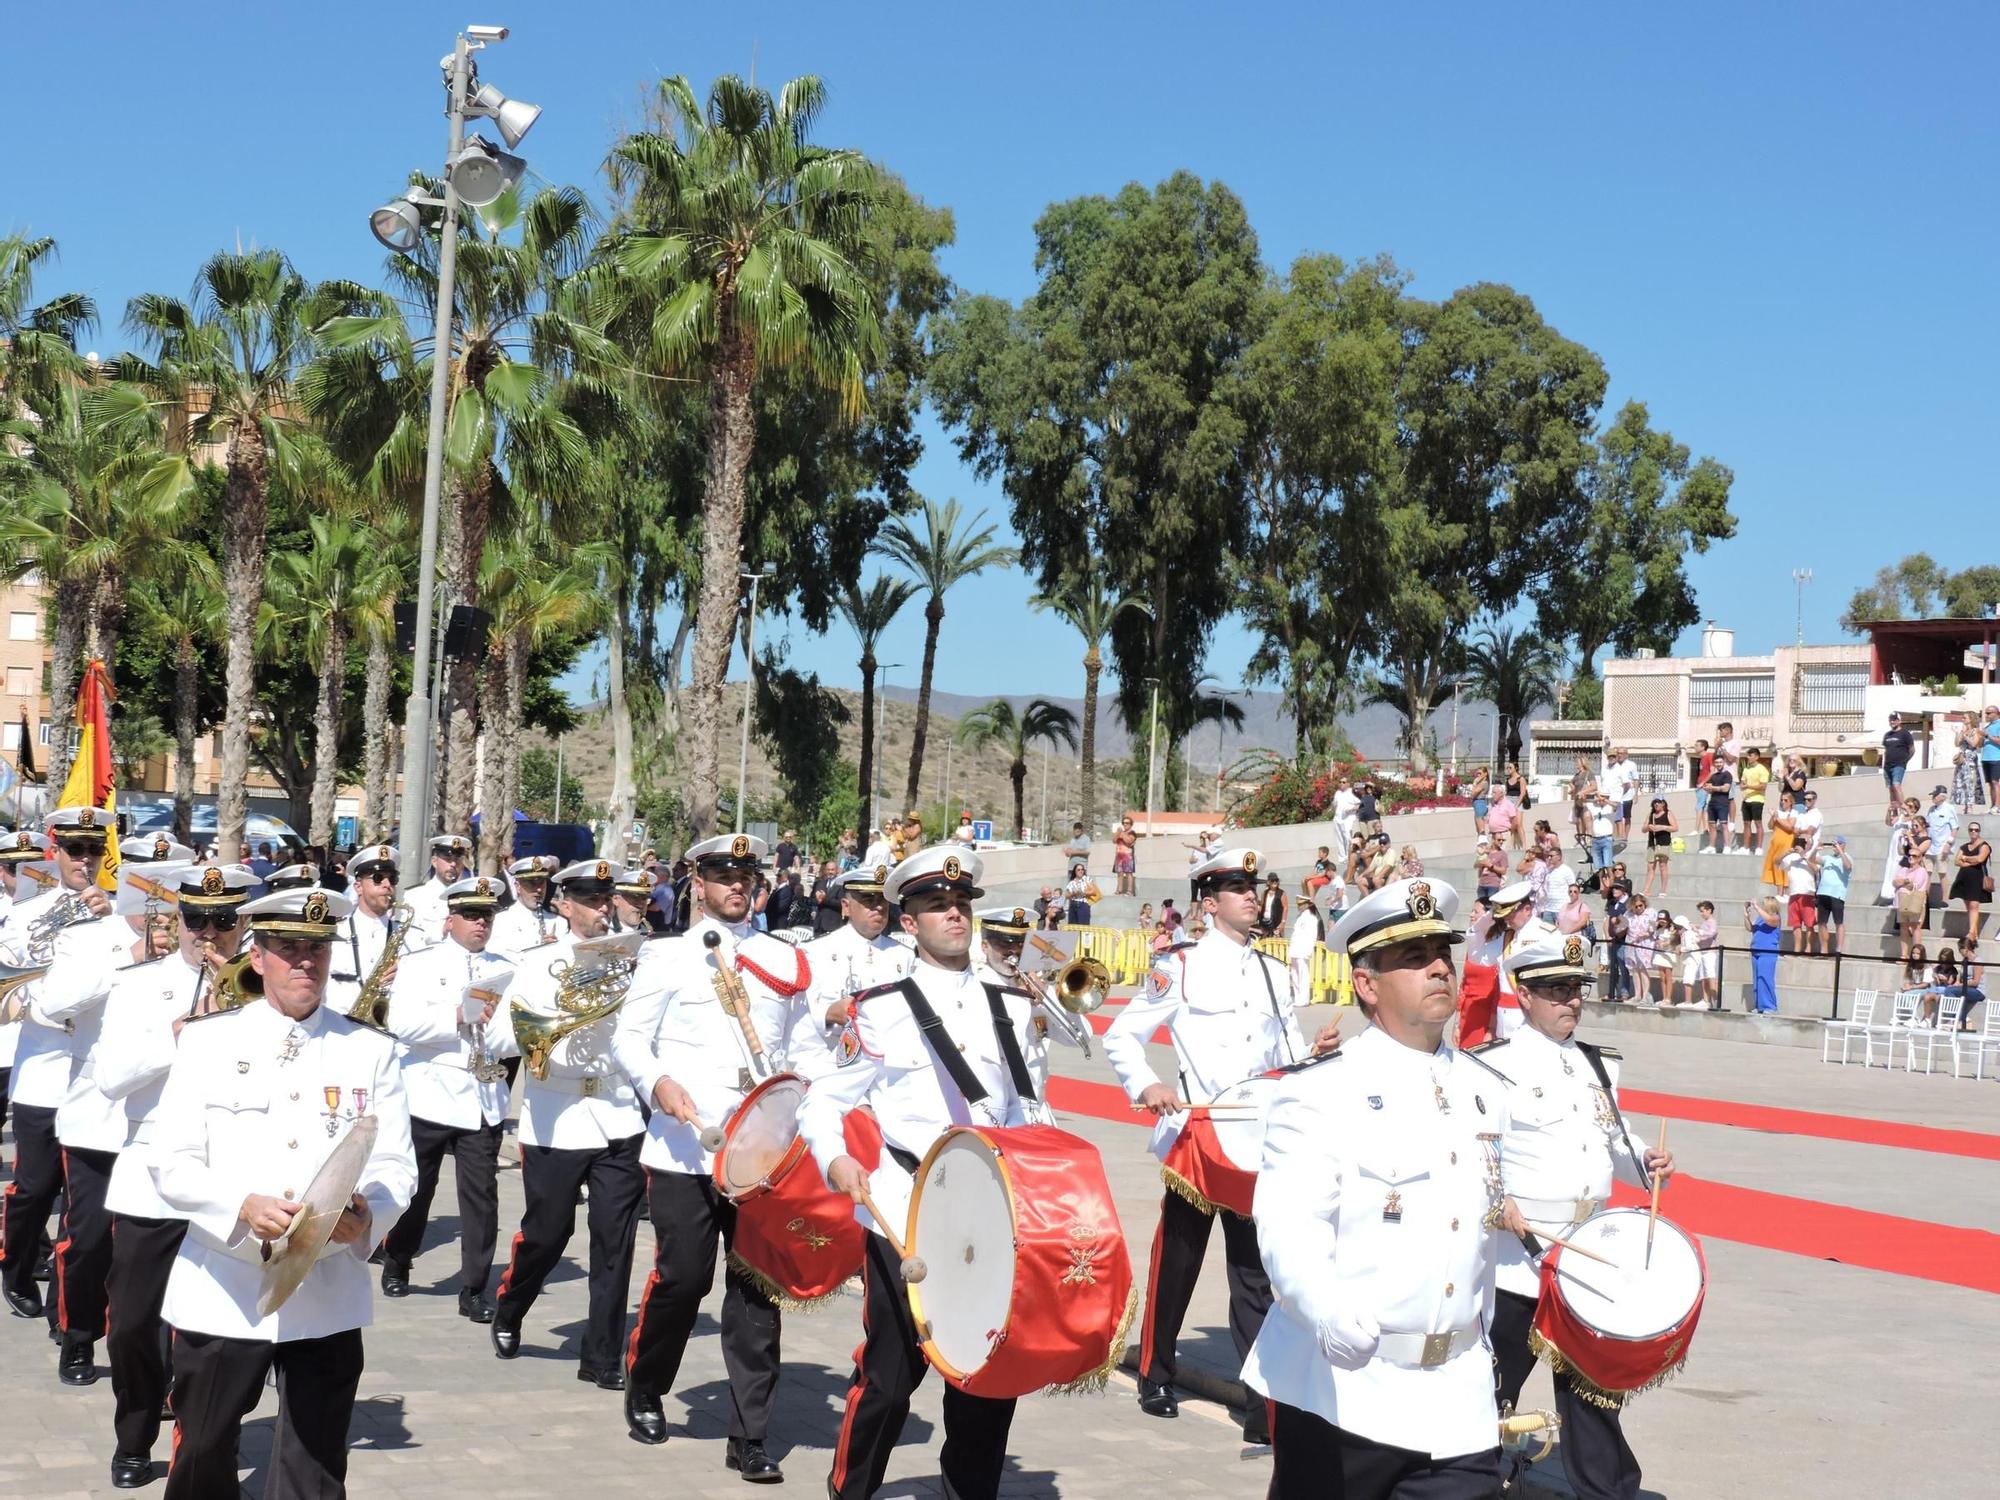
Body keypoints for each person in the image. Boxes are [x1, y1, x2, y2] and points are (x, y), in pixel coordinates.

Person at [1243, 876, 1508, 1499]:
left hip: (1459, 1397)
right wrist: (1325, 1307)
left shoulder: (1487, 1091)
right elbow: (1289, 1229)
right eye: (1414, 959)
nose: (1439, 968)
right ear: (1367, 984)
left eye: (1443, 952)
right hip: (1346, 1395)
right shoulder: (1317, 1092)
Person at [148, 885, 416, 1500]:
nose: (305, 962)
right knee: (204, 1452)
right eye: (289, 948)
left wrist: (368, 1214)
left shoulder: (369, 1050)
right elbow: (171, 1160)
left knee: (315, 1464)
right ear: (258, 955)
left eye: (316, 950)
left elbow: (397, 1163)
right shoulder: (209, 1041)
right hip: (226, 1284)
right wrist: (240, 1205)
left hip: (325, 1291)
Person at [798, 847, 1042, 1500]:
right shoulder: (879, 1007)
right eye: (937, 906)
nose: (954, 915)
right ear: (909, 922)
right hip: (903, 1208)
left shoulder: (1010, 1007)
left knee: (987, 1377)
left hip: (990, 1215)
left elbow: (1032, 1108)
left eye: (960, 904)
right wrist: (835, 1157)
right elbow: (823, 1099)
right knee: (891, 1374)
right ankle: (851, 1490)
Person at [611, 833, 800, 1478]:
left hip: (759, 1158)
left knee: (755, 1292)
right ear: (697, 882)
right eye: (723, 873)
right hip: (685, 1148)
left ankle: (750, 1435)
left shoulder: (782, 959)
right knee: (684, 1278)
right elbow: (631, 1040)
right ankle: (646, 1380)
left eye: (746, 874)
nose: (736, 885)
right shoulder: (665, 957)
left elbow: (801, 1047)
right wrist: (656, 1083)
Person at [1107, 845, 1306, 1442]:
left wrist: (1312, 1060)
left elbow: (1288, 1057)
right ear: (1210, 901)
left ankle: (1257, 1402)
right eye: (1237, 887)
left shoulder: (1274, 973)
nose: (1252, 895)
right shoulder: (1183, 965)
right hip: (1198, 1133)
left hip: (1256, 1140)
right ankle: (1156, 1373)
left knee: (1253, 1271)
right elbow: (1123, 1035)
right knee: (1180, 1261)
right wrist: (1147, 1084)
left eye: (1255, 886)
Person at [1479, 936, 1677, 1500]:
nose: (1571, 1001)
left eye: (1577, 989)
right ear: (1524, 993)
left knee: (1594, 1389)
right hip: (1521, 1256)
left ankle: (1609, 1490)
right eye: (1557, 990)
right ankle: (1469, 1478)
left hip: (1590, 1252)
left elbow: (1615, 1136)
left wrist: (1645, 1160)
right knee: (1493, 1386)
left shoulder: (1596, 1063)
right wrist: (1496, 1200)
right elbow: (1480, 1149)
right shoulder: (1493, 1066)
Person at [88, 863, 253, 1487]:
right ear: (177, 920)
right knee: (132, 1322)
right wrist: (179, 1034)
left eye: (223, 919)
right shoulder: (137, 987)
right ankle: (134, 1432)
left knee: (218, 1329)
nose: (208, 932)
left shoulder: (255, 989)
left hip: (226, 1177)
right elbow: (110, 1079)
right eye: (196, 919)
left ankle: (210, 1436)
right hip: (152, 1174)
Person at [490, 859, 648, 1388]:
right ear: (565, 905)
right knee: (548, 1232)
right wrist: (550, 1021)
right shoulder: (537, 964)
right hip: (556, 1117)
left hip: (618, 1113)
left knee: (614, 1240)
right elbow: (495, 1041)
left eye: (607, 899)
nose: (603, 909)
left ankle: (601, 1357)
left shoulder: (636, 961)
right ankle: (511, 1306)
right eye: (591, 900)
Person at [0, 806, 120, 1340]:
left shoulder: (116, 916)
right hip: (44, 1069)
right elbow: (16, 987)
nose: (85, 860)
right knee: (33, 1187)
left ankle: (66, 1311)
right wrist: (41, 1001)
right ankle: (17, 1268)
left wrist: (103, 923)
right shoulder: (28, 914)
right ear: (57, 852)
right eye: (75, 850)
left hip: (93, 1074)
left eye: (94, 850)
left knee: (82, 1206)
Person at [376, 876, 515, 1318]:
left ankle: (474, 1287)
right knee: (417, 1191)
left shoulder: (507, 966)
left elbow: (513, 1037)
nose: (481, 924)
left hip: (482, 1095)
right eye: (472, 915)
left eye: (487, 916)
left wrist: (504, 1034)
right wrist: (455, 1016)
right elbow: (399, 1023)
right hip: (430, 1092)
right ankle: (398, 1259)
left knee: (482, 1197)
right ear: (450, 918)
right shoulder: (420, 963)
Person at [793, 864, 915, 1081]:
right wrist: (830, 1013)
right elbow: (801, 1024)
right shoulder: (814, 953)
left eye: (883, 901)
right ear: (846, 907)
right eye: (868, 900)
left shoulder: (904, 956)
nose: (878, 907)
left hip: (890, 1073)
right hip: (833, 1067)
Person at [1456, 881, 1555, 1046]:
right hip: (1505, 1019)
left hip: (1532, 1017)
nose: (1507, 919)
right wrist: (1479, 927)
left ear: (1527, 910)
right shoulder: (1507, 937)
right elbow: (1478, 958)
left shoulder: (1546, 935)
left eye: (1511, 913)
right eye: (1504, 914)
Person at [402, 833, 472, 944]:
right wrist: (442, 930)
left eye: (457, 859)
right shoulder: (416, 896)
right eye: (448, 859)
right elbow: (408, 938)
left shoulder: (470, 897)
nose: (453, 864)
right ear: (434, 862)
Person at [492, 854, 561, 956]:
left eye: (542, 883)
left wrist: (559, 950)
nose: (538, 889)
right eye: (531, 884)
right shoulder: (500, 922)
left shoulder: (560, 923)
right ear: (517, 886)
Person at [1950, 820, 1992, 949]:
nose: (1974, 832)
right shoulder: (1964, 846)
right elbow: (1957, 861)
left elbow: (1980, 859)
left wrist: (1966, 858)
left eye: (1976, 830)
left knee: (1974, 905)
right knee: (1969, 905)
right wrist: (1969, 861)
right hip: (1964, 878)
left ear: (1979, 832)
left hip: (1977, 878)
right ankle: (1973, 933)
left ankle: (1972, 933)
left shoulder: (1984, 845)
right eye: (1971, 830)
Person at [1813, 837, 1853, 957]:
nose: (1836, 846)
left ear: (1844, 844)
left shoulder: (1847, 857)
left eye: (1839, 844)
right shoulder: (1827, 858)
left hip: (1837, 894)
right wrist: (1816, 848)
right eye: (1834, 844)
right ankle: (1823, 950)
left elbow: (1848, 867)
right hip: (1823, 893)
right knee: (1821, 923)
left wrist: (1840, 851)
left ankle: (1839, 949)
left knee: (1838, 922)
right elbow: (1812, 859)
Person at [1747, 897, 1782, 1013]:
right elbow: (1750, 928)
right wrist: (1746, 915)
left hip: (1768, 952)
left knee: (1765, 978)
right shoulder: (1759, 919)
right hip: (1756, 951)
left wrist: (1756, 907)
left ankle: (1770, 1006)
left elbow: (1769, 921)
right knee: (1757, 979)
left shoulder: (1775, 918)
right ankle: (1759, 1005)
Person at [1760, 789, 1798, 890]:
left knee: (1784, 866)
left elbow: (1790, 827)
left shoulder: (1793, 813)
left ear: (1790, 802)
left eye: (1785, 800)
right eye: (1782, 800)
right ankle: (1779, 892)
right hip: (1775, 844)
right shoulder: (1778, 812)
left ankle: (1784, 892)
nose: (1783, 802)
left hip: (1786, 843)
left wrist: (1778, 819)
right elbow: (1770, 826)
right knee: (1776, 867)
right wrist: (1773, 817)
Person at [1882, 710, 1916, 821]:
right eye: (1891, 720)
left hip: (1899, 764)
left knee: (1897, 785)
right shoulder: (1887, 735)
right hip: (1888, 765)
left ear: (1899, 721)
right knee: (1891, 788)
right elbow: (1886, 750)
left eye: (1895, 719)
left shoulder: (1905, 734)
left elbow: (1912, 749)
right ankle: (1894, 810)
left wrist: (1905, 761)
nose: (1892, 721)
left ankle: (1904, 808)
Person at [1640, 797, 1676, 897]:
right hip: (1652, 843)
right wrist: (1648, 827)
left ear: (1663, 804)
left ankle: (1663, 890)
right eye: (1655, 802)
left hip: (1663, 843)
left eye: (1659, 802)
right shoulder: (1651, 815)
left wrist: (1662, 827)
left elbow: (1675, 827)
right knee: (1650, 867)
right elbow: (1643, 829)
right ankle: (1647, 890)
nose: (1656, 804)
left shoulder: (1668, 813)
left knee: (1663, 866)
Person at [1739, 747, 1770, 856]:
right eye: (1747, 755)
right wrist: (1743, 785)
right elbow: (1742, 783)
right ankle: (1746, 847)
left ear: (1756, 757)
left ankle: (1759, 848)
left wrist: (1748, 786)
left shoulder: (1762, 769)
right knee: (1746, 823)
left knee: (1758, 823)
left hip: (1757, 800)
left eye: (1750, 755)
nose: (1748, 757)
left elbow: (1763, 786)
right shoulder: (1746, 769)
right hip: (1746, 799)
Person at [1701, 755, 1734, 855]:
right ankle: (1711, 846)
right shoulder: (1714, 776)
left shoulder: (1727, 774)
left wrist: (1713, 787)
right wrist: (1708, 788)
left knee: (1724, 825)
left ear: (1723, 763)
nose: (1718, 764)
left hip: (1722, 803)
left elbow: (1726, 788)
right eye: (1716, 763)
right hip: (1712, 803)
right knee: (1712, 825)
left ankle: (1727, 846)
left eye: (1720, 762)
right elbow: (1708, 788)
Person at [1956, 712, 1987, 812]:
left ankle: (1970, 805)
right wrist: (1958, 733)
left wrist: (1965, 736)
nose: (1963, 719)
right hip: (1962, 760)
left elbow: (1974, 744)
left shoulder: (1976, 731)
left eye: (1964, 718)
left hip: (1971, 760)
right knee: (1961, 782)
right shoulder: (1964, 730)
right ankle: (1965, 804)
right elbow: (1957, 743)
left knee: (1970, 783)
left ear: (1971, 719)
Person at [1586, 790, 1616, 876]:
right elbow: (1583, 799)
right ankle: (1602, 886)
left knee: (1608, 864)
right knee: (1599, 866)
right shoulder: (1594, 807)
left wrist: (1605, 800)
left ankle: (1611, 883)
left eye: (1603, 797)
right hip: (1595, 839)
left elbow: (1617, 806)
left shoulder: (1609, 807)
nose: (1601, 799)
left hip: (1606, 838)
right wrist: (1596, 795)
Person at [1065, 862, 1096, 927]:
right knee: (1072, 926)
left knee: (1083, 925)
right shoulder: (1071, 882)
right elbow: (1067, 895)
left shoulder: (1087, 879)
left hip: (1083, 904)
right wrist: (1073, 893)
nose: (1081, 871)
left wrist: (1082, 892)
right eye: (1078, 870)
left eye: (1082, 869)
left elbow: (1093, 892)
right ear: (1075, 871)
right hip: (1073, 904)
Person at [1113, 815, 1138, 896]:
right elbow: (1114, 840)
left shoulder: (1132, 833)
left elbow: (1129, 841)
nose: (1125, 824)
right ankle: (1119, 890)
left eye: (1127, 823)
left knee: (1128, 873)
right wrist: (1117, 833)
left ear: (1131, 824)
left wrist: (1122, 834)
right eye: (1123, 823)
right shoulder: (1120, 832)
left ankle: (1129, 891)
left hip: (1128, 857)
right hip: (1119, 857)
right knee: (1119, 873)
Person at [1259, 871, 1289, 937]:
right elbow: (1262, 906)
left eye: (1276, 880)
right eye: (1272, 880)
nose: (1275, 882)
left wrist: (1283, 922)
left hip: (1276, 923)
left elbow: (1285, 907)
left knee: (1276, 943)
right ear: (1268, 882)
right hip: (1264, 923)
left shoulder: (1281, 893)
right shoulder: (1264, 893)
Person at [1467, 767, 1491, 835]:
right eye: (1477, 773)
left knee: (1481, 829)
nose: (1478, 775)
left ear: (1485, 774)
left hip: (1479, 803)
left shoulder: (1483, 783)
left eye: (1480, 773)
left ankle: (1483, 843)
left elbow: (1473, 794)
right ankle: (1481, 843)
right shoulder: (1481, 783)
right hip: (1477, 804)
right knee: (1478, 829)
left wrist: (1475, 783)